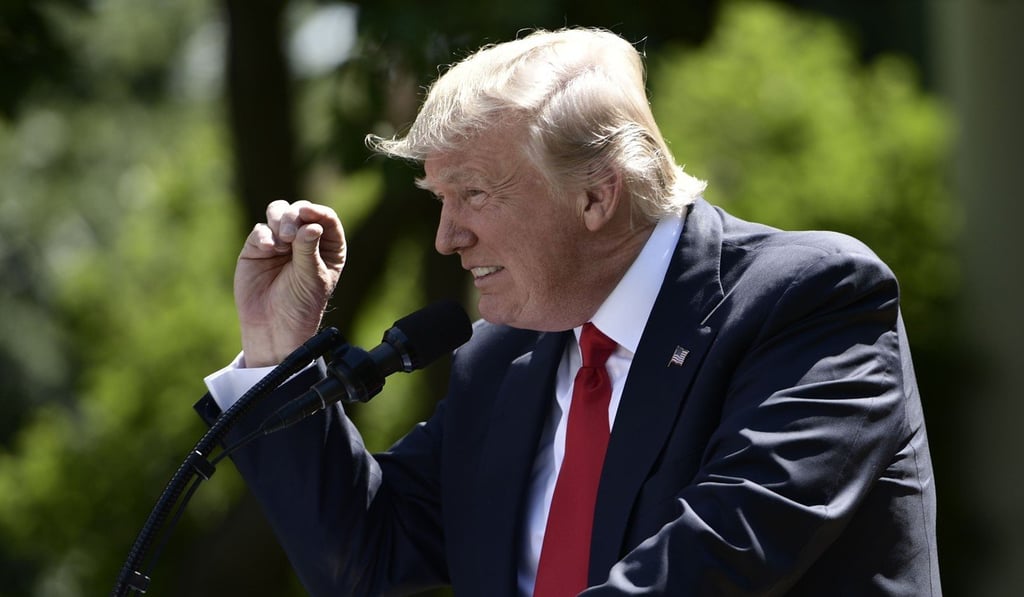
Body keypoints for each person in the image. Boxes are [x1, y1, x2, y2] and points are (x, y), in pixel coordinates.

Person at [198, 27, 941, 596]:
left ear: (596, 194)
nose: (448, 236)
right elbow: (364, 554)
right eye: (441, 200)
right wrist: (279, 350)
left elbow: (714, 561)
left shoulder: (811, 302)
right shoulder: (503, 357)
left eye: (476, 194)